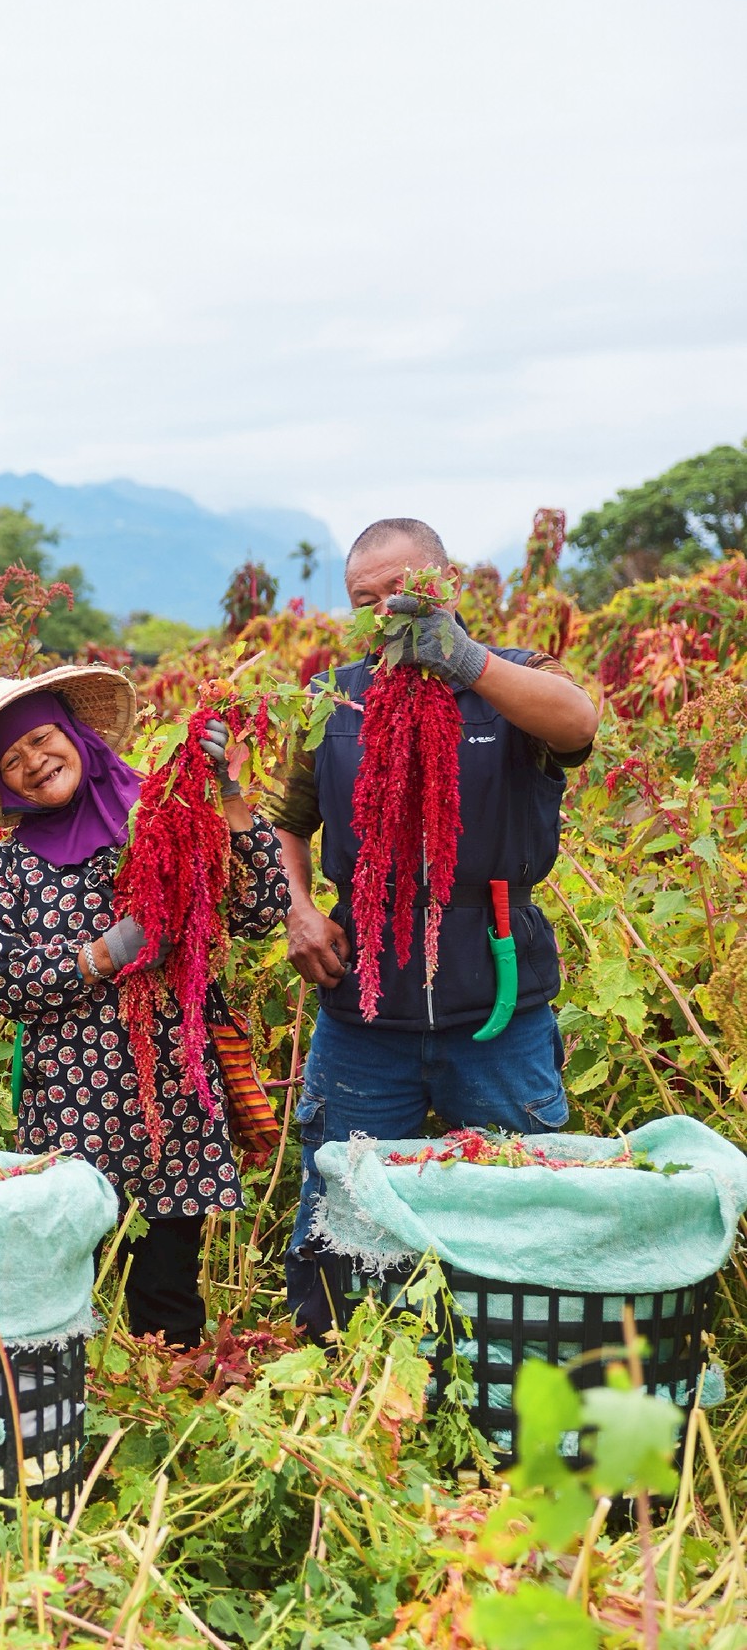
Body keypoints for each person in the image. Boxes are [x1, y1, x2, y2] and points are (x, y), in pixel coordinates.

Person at [274, 518, 599, 1338]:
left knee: (517, 1206)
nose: (387, 609)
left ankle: (508, 1366)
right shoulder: (333, 697)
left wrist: (469, 664)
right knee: (341, 1210)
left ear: (447, 583)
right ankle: (333, 1375)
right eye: (366, 599)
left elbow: (577, 724)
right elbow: (287, 820)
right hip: (364, 1012)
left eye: (405, 589)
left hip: (499, 1003)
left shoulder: (512, 678)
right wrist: (300, 907)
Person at [0, 666, 289, 1349]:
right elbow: (2, 977)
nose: (33, 762)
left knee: (166, 1292)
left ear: (74, 734)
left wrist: (227, 793)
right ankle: (70, 1416)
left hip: (172, 1096)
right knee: (62, 1287)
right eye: (13, 760)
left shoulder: (161, 821)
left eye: (42, 739)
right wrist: (99, 955)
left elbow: (264, 910)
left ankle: (169, 1412)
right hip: (70, 1107)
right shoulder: (11, 866)